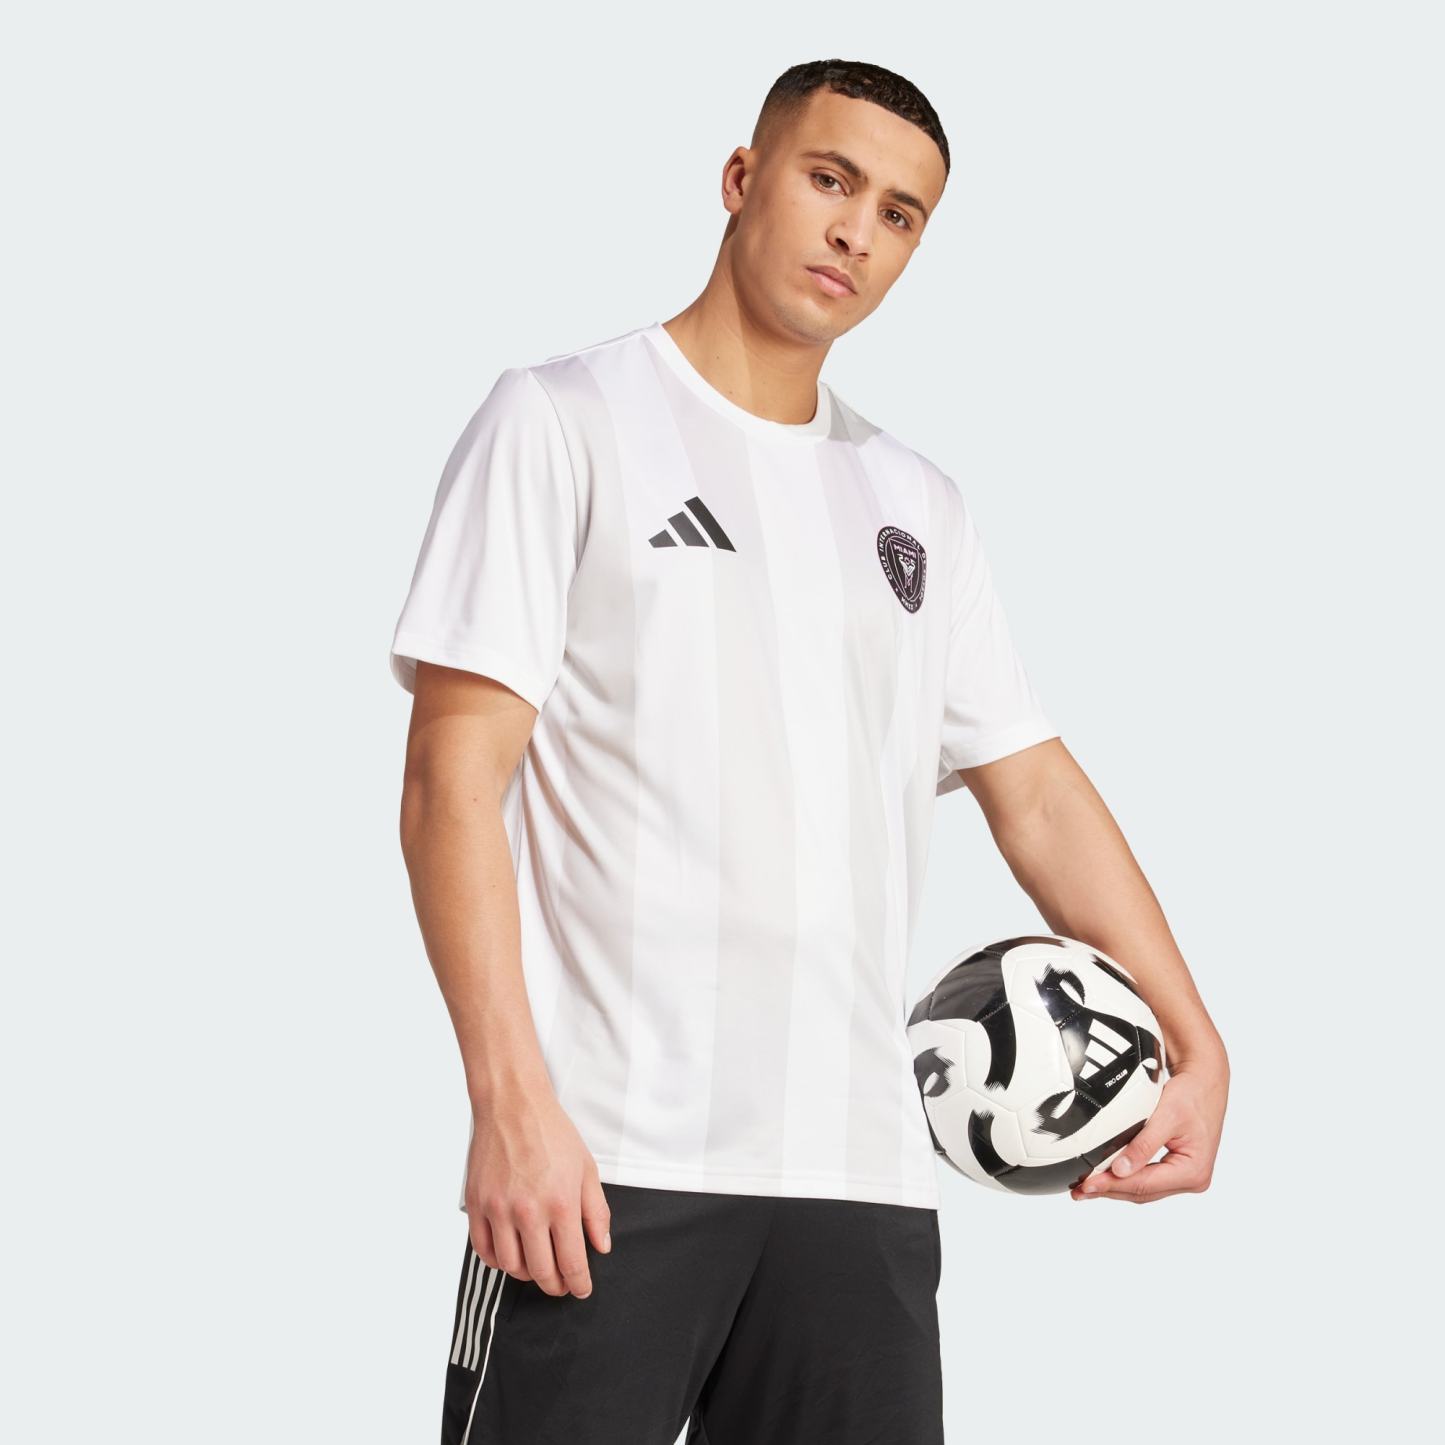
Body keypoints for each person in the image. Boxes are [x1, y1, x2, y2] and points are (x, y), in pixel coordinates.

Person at [389, 57, 1230, 1445]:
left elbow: (1032, 791)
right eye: (830, 180)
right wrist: (508, 1103)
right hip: (602, 1166)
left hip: (859, 1185)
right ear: (742, 179)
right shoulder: (563, 420)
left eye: (899, 214)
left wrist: (1195, 1043)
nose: (856, 232)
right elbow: (449, 785)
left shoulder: (914, 501)